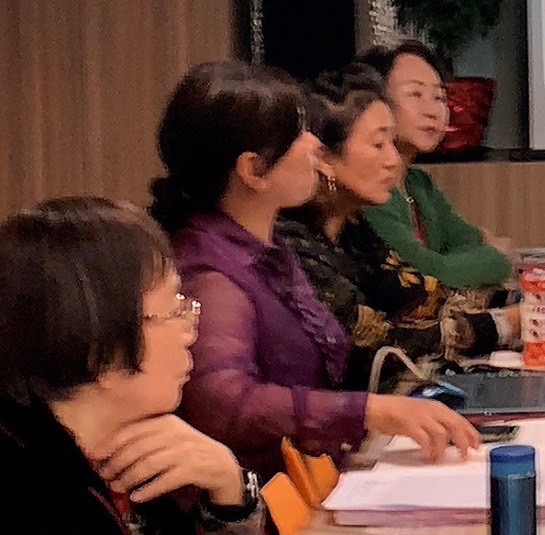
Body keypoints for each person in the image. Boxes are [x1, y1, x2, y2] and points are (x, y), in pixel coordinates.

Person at [151, 60, 479, 479]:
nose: (313, 145)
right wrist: (371, 411)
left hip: (314, 476)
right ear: (253, 170)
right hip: (266, 498)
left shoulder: (267, 246)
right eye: (298, 134)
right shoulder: (212, 271)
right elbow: (225, 402)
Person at [0, 197, 266, 535]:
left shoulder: (132, 451)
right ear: (100, 348)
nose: (190, 332)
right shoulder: (26, 492)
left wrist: (230, 494)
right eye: (174, 311)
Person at [278, 65, 517, 392]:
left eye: (392, 142)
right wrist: (507, 323)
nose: (393, 160)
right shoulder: (293, 244)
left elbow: (421, 295)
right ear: (324, 157)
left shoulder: (353, 226)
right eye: (379, 144)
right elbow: (382, 341)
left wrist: (520, 300)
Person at [356, 42, 513, 289]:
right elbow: (425, 277)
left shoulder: (419, 182)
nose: (432, 111)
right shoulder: (369, 191)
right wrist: (495, 259)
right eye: (415, 94)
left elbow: (471, 239)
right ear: (375, 102)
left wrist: (452, 264)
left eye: (439, 97)